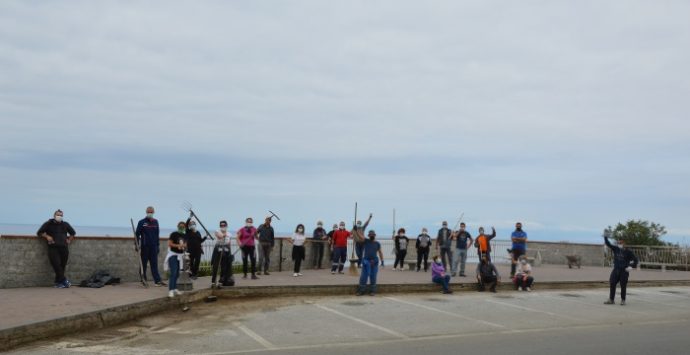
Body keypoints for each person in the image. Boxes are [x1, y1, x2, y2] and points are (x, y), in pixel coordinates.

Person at [37, 209, 76, 288]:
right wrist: (47, 236)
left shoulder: (65, 224)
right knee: (56, 265)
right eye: (58, 215)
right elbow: (39, 232)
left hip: (64, 248)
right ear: (54, 216)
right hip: (53, 248)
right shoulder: (48, 224)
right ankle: (65, 280)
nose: (59, 216)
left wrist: (69, 240)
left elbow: (73, 233)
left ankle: (58, 283)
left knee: (62, 266)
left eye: (61, 215)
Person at [135, 206, 165, 286]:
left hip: (153, 247)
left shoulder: (156, 222)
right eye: (148, 212)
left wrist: (157, 246)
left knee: (154, 264)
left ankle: (157, 281)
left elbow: (157, 234)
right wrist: (136, 244)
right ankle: (143, 280)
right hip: (145, 246)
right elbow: (137, 234)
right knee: (143, 264)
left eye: (151, 212)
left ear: (153, 212)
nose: (150, 213)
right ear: (146, 212)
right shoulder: (141, 222)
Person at [604, 236, 639, 305]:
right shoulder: (616, 249)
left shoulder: (628, 252)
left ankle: (623, 300)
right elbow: (608, 244)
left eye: (621, 242)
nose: (619, 243)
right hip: (616, 269)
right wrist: (605, 237)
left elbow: (636, 260)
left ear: (624, 243)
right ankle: (611, 299)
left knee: (623, 285)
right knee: (612, 283)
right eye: (618, 242)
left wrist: (631, 266)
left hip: (624, 271)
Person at [354, 230, 384, 296]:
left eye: (372, 234)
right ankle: (361, 291)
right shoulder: (366, 241)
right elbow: (361, 236)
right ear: (368, 236)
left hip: (374, 262)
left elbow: (380, 252)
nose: (371, 235)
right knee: (363, 277)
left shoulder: (377, 243)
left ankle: (372, 291)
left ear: (375, 235)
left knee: (373, 277)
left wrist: (382, 261)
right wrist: (356, 231)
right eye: (370, 235)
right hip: (366, 262)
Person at [165, 221, 187, 298]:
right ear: (178, 227)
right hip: (173, 255)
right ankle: (170, 290)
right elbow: (170, 244)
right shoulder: (174, 234)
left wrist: (184, 246)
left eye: (183, 227)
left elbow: (185, 244)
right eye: (180, 227)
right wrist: (179, 245)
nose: (181, 228)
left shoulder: (184, 235)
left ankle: (174, 288)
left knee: (177, 273)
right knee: (173, 272)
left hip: (180, 256)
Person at [211, 220, 234, 289]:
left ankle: (221, 280)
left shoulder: (229, 234)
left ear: (226, 226)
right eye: (221, 225)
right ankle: (213, 281)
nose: (223, 226)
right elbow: (219, 236)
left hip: (226, 249)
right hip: (218, 249)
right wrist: (224, 235)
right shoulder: (217, 231)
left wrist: (230, 253)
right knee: (216, 266)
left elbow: (229, 243)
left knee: (224, 266)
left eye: (224, 225)